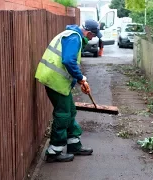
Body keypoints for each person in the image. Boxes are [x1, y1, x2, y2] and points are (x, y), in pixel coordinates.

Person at [35, 19, 103, 163]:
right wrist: (80, 79)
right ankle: (54, 151)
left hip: (55, 79)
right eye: (94, 35)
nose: (93, 38)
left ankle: (74, 145)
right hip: (55, 81)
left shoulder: (72, 35)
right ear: (89, 32)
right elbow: (68, 61)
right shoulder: (74, 38)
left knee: (70, 111)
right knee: (63, 114)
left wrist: (79, 79)